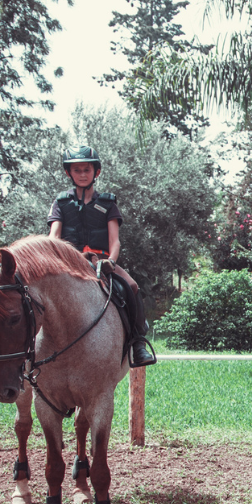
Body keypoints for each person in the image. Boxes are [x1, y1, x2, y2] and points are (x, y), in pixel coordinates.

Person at [47, 145, 155, 367]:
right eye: (77, 170)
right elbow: (53, 237)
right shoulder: (60, 203)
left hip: (101, 261)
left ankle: (138, 344)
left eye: (87, 170)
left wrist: (110, 262)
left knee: (132, 286)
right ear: (69, 173)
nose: (83, 174)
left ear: (96, 172)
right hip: (70, 261)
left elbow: (115, 241)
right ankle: (30, 347)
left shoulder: (107, 204)